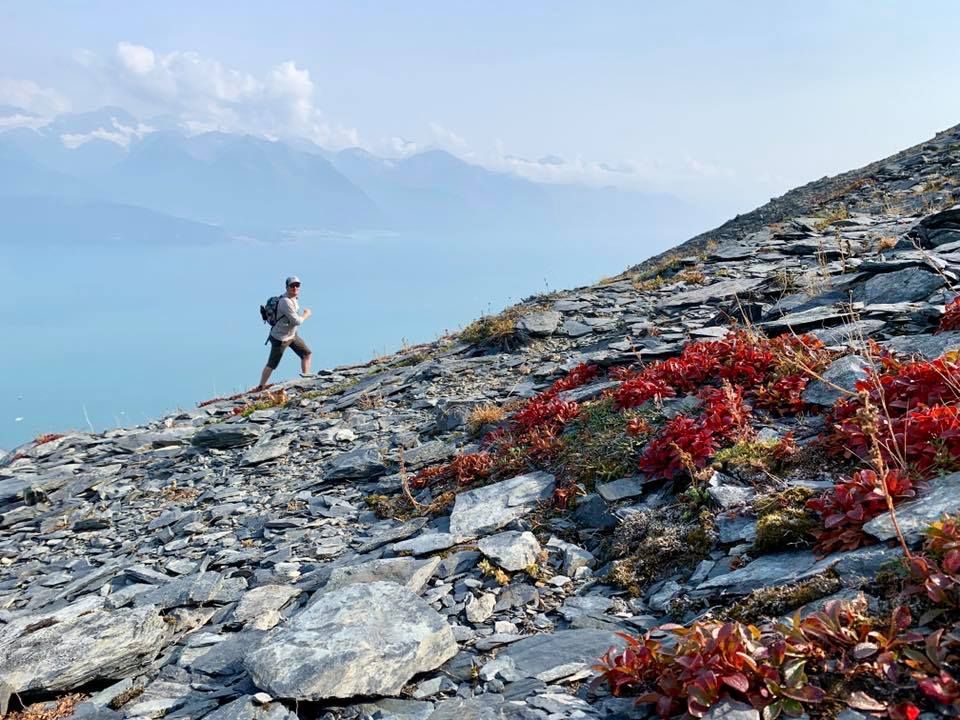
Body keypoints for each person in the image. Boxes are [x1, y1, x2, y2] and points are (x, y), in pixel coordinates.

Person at [257, 276, 313, 389]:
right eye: (292, 286)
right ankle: (261, 387)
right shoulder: (285, 302)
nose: (295, 288)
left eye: (297, 285)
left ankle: (306, 379)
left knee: (306, 354)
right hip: (280, 338)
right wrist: (306, 314)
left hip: (291, 335)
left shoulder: (293, 298)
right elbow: (296, 321)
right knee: (272, 364)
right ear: (287, 287)